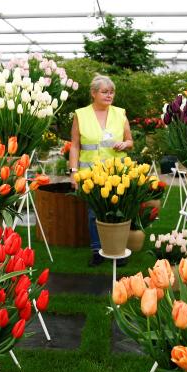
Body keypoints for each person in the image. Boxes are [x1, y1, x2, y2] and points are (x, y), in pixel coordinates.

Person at [69, 75, 133, 266]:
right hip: (90, 173)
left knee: (117, 210)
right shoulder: (81, 115)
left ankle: (118, 249)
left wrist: (125, 144)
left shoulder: (120, 114)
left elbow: (130, 141)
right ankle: (97, 250)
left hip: (117, 172)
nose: (109, 95)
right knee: (93, 212)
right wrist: (73, 171)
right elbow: (74, 146)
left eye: (111, 92)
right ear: (93, 93)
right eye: (105, 92)